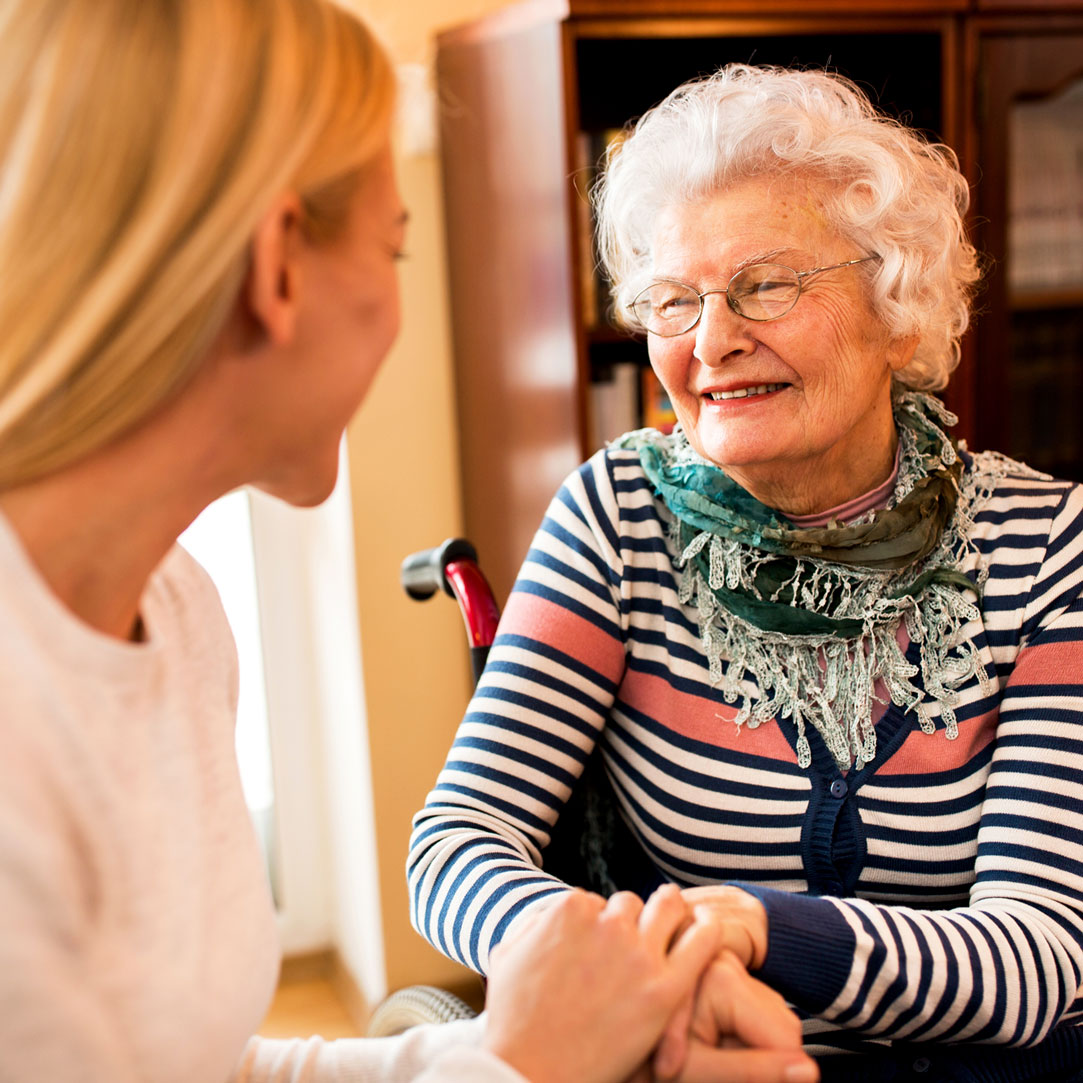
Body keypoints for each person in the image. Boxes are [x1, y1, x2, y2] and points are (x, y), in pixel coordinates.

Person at [0, 3, 819, 1082]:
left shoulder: (175, 613)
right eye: (392, 246)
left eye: (767, 285)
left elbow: (198, 1065)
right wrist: (524, 1064)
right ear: (279, 267)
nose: (713, 340)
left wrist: (518, 1043)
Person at [408, 64, 1083, 1081]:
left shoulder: (1043, 546)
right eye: (674, 300)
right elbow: (457, 843)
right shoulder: (619, 516)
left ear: (897, 304)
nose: (712, 341)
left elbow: (1037, 958)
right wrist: (641, 972)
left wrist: (751, 930)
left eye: (765, 285)